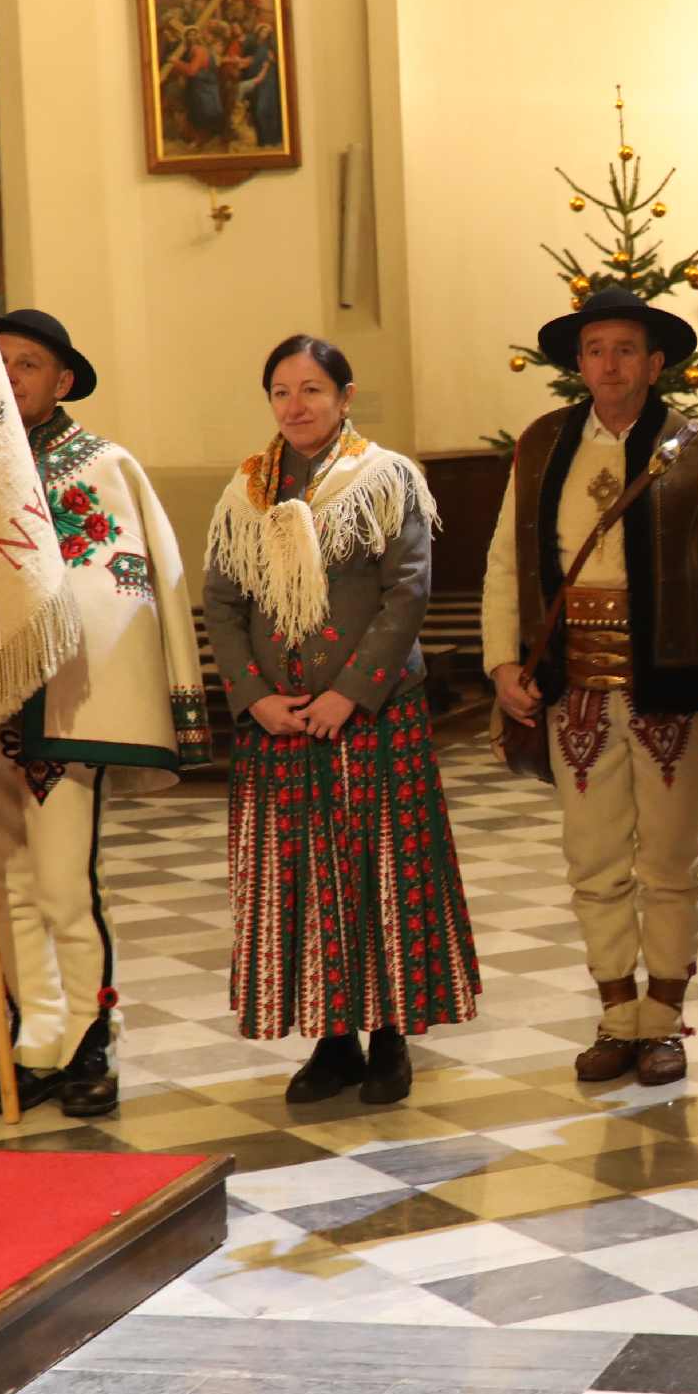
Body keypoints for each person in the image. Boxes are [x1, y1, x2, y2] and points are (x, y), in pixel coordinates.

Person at [481, 289, 698, 1087]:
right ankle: (617, 1017)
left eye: (625, 350)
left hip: (673, 685)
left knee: (672, 860)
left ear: (654, 363)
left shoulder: (696, 451)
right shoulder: (542, 446)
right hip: (573, 688)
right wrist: (503, 665)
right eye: (595, 350)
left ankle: (664, 1020)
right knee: (594, 859)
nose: (609, 365)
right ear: (579, 364)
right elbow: (505, 560)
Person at [0, 310, 209, 1118]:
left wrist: (30, 624)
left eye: (28, 364)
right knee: (5, 887)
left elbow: (119, 583)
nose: (10, 376)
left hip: (60, 708)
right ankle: (37, 1038)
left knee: (63, 884)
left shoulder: (99, 466)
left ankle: (94, 1036)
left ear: (61, 381)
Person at [204, 334, 478, 1104]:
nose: (295, 406)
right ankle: (332, 1043)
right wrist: (255, 697)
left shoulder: (385, 478)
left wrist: (351, 692)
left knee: (380, 874)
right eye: (281, 391)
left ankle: (389, 1039)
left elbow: (407, 594)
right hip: (281, 723)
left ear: (345, 396)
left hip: (372, 715)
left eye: (312, 389)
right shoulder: (245, 492)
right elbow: (222, 603)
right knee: (301, 879)